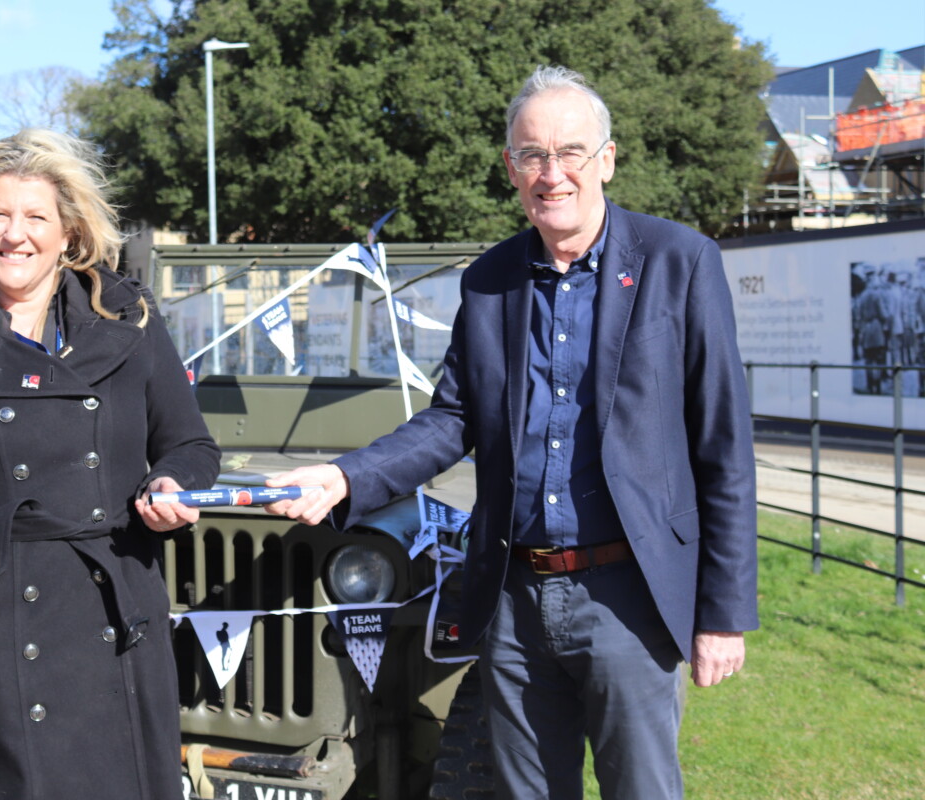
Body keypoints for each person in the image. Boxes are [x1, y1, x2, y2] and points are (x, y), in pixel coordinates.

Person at [267, 65, 758, 799]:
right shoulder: (490, 279)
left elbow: (723, 445)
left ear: (607, 159)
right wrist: (345, 477)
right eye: (532, 155)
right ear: (510, 168)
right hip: (513, 598)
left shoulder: (679, 262)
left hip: (630, 595)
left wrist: (722, 614)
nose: (552, 174)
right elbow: (454, 417)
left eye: (571, 153)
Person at [0, 128, 220, 799]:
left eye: (35, 217)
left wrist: (174, 483)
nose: (14, 235)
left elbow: (191, 445)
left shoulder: (130, 319)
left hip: (117, 617)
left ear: (68, 233)